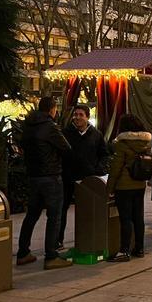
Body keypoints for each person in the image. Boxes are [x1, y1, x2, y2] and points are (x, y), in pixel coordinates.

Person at [17, 97, 72, 270]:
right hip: (50, 176)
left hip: (33, 176)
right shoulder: (50, 127)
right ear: (52, 109)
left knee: (32, 214)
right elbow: (66, 148)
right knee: (54, 216)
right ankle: (51, 255)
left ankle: (23, 252)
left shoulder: (28, 126)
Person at [59, 104, 109, 249]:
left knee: (88, 209)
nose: (77, 117)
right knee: (62, 209)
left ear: (87, 117)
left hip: (88, 179)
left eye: (81, 115)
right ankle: (58, 240)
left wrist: (98, 169)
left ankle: (89, 238)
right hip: (68, 178)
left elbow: (104, 154)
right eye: (76, 114)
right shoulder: (66, 133)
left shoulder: (96, 134)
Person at [105, 115, 150, 262]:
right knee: (138, 217)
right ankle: (140, 248)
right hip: (140, 184)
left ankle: (124, 250)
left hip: (124, 186)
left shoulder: (121, 144)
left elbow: (116, 167)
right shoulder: (145, 143)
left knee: (125, 218)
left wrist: (109, 188)